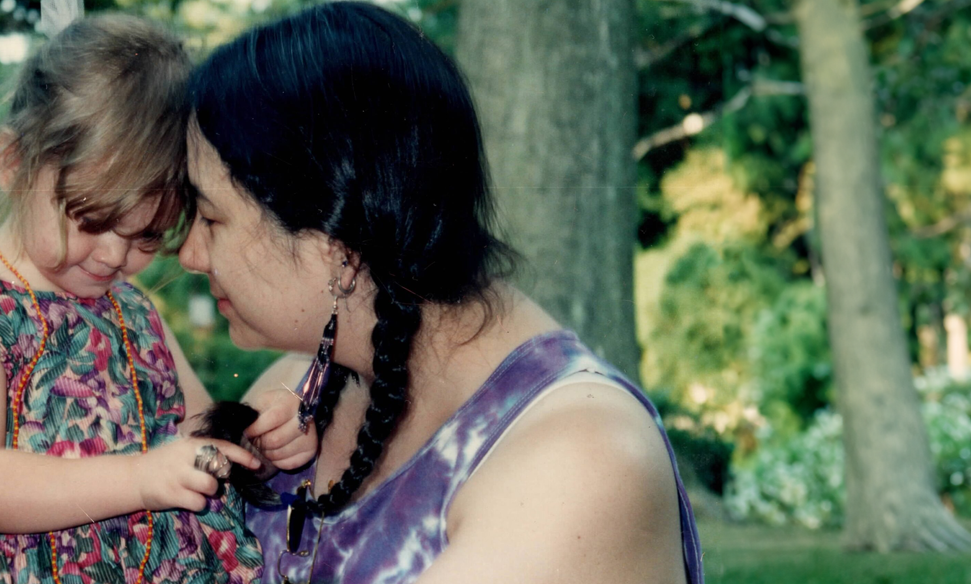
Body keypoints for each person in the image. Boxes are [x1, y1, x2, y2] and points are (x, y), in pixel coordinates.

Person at [180, 3, 704, 583]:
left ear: (335, 240)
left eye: (210, 219)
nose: (189, 256)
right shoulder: (298, 393)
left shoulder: (582, 456)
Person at [0, 14, 307, 584]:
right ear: (14, 166)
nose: (111, 257)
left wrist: (255, 438)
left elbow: (195, 431)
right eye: (93, 221)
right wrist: (140, 479)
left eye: (146, 234)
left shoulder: (129, 309)